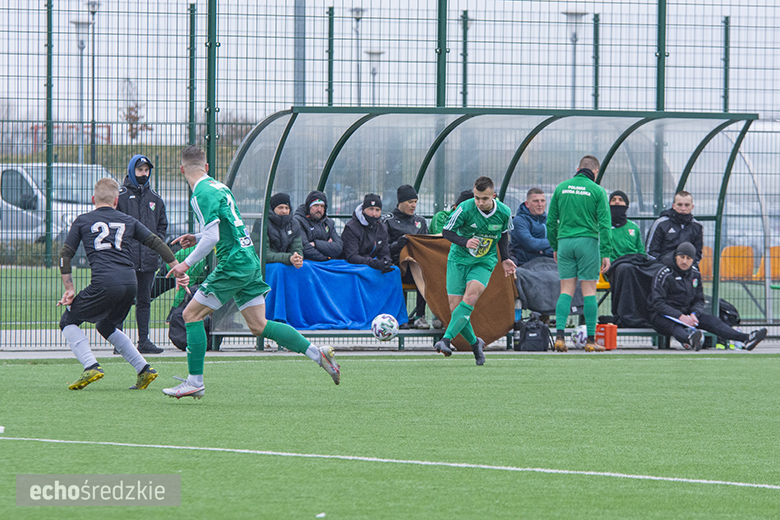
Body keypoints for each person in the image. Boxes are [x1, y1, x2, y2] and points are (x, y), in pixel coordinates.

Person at [163, 146, 340, 399]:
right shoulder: (219, 187)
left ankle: (195, 382)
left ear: (182, 169)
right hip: (249, 259)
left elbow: (213, 237)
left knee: (190, 315)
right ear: (207, 167)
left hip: (233, 263)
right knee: (258, 325)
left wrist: (185, 264)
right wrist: (197, 237)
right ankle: (317, 354)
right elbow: (225, 228)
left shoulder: (200, 193)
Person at [57, 177, 189, 391]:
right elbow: (156, 242)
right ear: (116, 201)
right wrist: (179, 269)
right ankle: (144, 369)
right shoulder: (128, 220)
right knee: (106, 325)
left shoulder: (82, 220)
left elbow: (65, 255)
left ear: (93, 199)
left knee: (68, 321)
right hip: (130, 283)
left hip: (104, 283)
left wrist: (69, 289)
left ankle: (90, 365)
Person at [433, 176, 516, 366]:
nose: (480, 202)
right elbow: (447, 232)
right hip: (458, 261)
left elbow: (503, 235)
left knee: (470, 298)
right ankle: (475, 343)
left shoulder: (504, 212)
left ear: (493, 196)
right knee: (456, 309)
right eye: (477, 197)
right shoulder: (465, 208)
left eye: (484, 198)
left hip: (484, 262)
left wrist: (505, 259)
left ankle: (446, 340)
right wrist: (465, 242)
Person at [547, 155, 612, 352]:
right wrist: (606, 252)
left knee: (566, 290)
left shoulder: (561, 188)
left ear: (578, 169)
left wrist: (555, 246)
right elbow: (605, 225)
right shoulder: (598, 191)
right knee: (589, 291)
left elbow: (550, 222)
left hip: (565, 242)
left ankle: (559, 337)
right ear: (595, 172)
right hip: (587, 242)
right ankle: (590, 340)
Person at [649, 242, 767, 351]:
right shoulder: (664, 273)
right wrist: (679, 316)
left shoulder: (695, 274)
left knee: (713, 321)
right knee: (675, 326)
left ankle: (746, 338)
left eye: (688, 258)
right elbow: (658, 303)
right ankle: (690, 339)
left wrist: (694, 313)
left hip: (687, 314)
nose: (684, 261)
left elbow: (699, 300)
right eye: (682, 257)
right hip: (662, 316)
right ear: (676, 257)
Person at [116, 154, 168, 354]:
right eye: (140, 170)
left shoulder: (156, 199)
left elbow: (162, 225)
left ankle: (144, 341)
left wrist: (156, 245)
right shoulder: (120, 197)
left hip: (148, 260)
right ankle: (119, 341)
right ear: (132, 171)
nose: (144, 174)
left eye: (146, 170)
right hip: (125, 260)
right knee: (122, 300)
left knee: (144, 301)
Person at [383, 184, 430, 328]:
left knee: (429, 271)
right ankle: (400, 317)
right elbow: (383, 250)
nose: (414, 205)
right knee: (397, 271)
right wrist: (398, 244)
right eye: (410, 202)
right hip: (396, 267)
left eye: (415, 202)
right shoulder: (388, 221)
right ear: (400, 202)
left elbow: (426, 247)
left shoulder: (420, 222)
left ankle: (420, 316)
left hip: (417, 267)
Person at [646, 190, 703, 268]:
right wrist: (664, 266)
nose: (683, 208)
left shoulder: (697, 226)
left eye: (687, 205)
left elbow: (697, 254)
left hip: (686, 268)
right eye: (680, 204)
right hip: (663, 267)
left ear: (692, 207)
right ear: (673, 206)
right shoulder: (661, 224)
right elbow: (650, 252)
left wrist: (686, 266)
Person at [341, 193, 394, 273]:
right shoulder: (351, 228)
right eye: (371, 209)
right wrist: (374, 263)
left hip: (371, 262)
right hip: (352, 265)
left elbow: (385, 251)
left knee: (394, 271)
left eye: (377, 210)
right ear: (363, 210)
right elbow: (352, 256)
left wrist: (386, 261)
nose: (374, 214)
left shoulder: (382, 228)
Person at [251, 192, 304, 268]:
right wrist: (289, 258)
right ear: (273, 208)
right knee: (278, 267)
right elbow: (262, 253)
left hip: (286, 261)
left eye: (287, 208)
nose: (284, 211)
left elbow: (297, 248)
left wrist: (297, 258)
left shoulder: (294, 224)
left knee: (304, 266)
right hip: (266, 264)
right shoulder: (262, 223)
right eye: (280, 207)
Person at [293, 190, 343, 261]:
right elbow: (305, 248)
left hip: (327, 262)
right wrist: (326, 256)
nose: (319, 209)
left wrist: (315, 244)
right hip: (307, 262)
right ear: (309, 207)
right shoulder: (298, 221)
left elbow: (338, 247)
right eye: (316, 205)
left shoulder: (329, 223)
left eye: (322, 206)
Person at [509, 187, 554, 265]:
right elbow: (532, 244)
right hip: (526, 265)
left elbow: (560, 243)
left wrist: (543, 249)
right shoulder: (519, 221)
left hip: (548, 261)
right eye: (536, 201)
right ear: (527, 204)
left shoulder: (549, 219)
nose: (540, 204)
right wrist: (554, 241)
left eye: (542, 201)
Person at [607, 190, 645, 261]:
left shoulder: (634, 227)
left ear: (626, 205)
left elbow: (641, 251)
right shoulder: (604, 226)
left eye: (621, 200)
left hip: (633, 262)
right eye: (613, 200)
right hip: (613, 264)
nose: (617, 202)